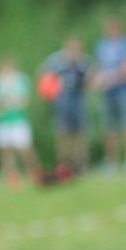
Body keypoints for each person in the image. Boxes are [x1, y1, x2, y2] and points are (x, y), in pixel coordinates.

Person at [40, 36, 92, 174]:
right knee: (63, 133)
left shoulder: (84, 62)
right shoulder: (55, 61)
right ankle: (64, 164)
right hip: (62, 101)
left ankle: (81, 165)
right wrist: (49, 93)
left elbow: (92, 78)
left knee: (80, 133)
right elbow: (44, 77)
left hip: (78, 100)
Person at [0, 57, 41, 190]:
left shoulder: (21, 80)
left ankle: (35, 172)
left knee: (26, 149)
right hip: (4, 121)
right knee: (6, 150)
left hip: (18, 119)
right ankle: (12, 176)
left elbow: (26, 100)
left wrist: (15, 102)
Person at [94, 17, 126, 171]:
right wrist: (97, 80)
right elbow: (98, 67)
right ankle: (112, 161)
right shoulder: (102, 46)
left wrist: (114, 77)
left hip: (124, 91)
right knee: (109, 127)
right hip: (107, 92)